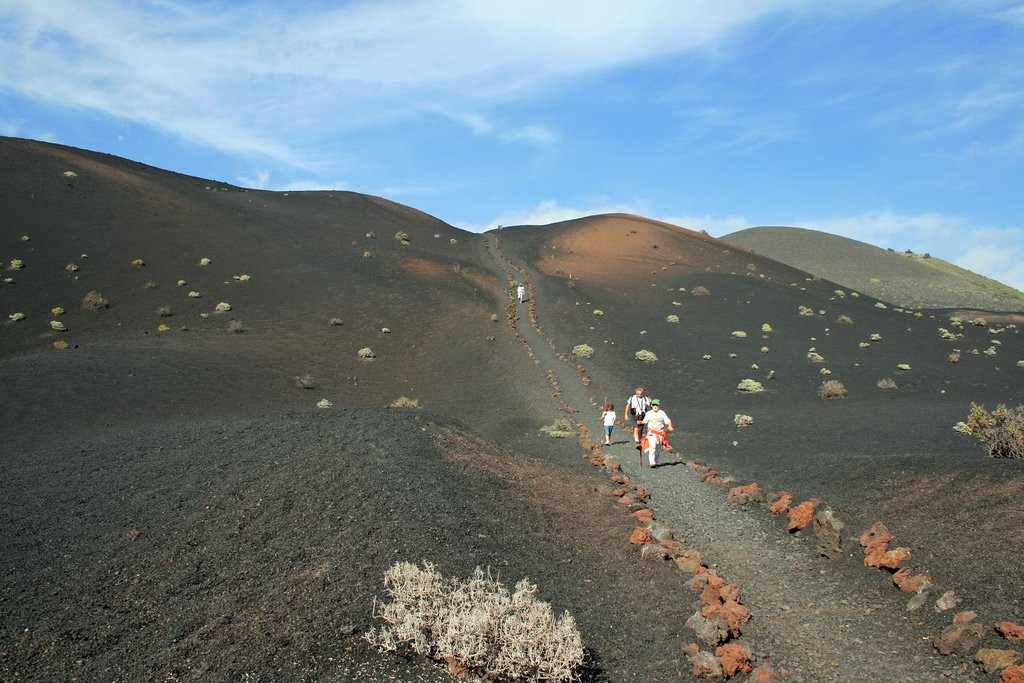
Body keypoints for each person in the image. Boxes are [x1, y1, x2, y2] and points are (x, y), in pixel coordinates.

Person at [639, 399, 673, 468]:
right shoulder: (648, 413)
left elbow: (667, 421)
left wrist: (670, 426)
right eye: (654, 405)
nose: (655, 406)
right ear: (651, 405)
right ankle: (652, 462)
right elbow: (645, 421)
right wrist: (639, 422)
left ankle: (656, 462)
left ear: (658, 405)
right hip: (651, 433)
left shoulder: (662, 413)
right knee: (652, 447)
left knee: (658, 448)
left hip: (660, 433)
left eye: (656, 405)